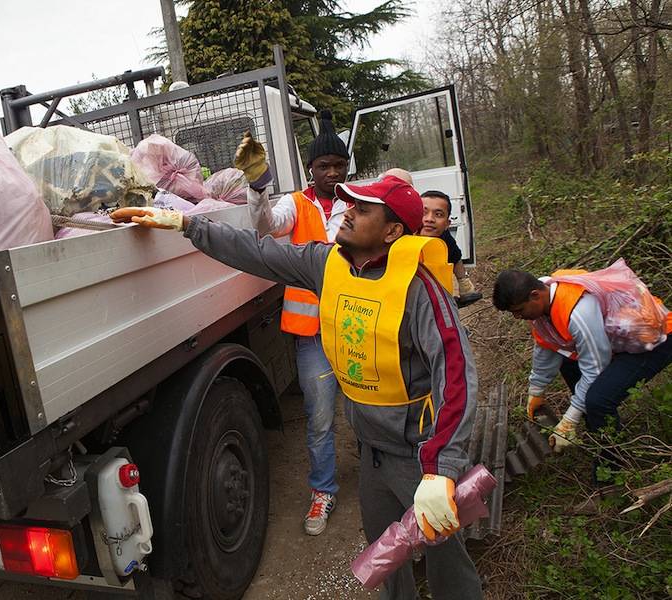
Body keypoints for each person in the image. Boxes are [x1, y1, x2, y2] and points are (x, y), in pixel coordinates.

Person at [111, 167, 483, 599]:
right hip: (373, 454)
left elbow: (456, 373)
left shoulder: (419, 289)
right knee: (386, 556)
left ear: (392, 231)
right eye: (350, 204)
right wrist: (188, 225)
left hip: (418, 455)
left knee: (446, 560)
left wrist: (442, 470)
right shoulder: (329, 264)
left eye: (363, 209)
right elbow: (259, 252)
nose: (347, 212)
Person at [237, 109, 349, 536]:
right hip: (313, 336)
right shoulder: (295, 204)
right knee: (319, 417)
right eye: (324, 166)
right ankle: (323, 490)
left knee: (367, 410)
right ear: (310, 170)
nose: (332, 173)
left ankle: (384, 480)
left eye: (339, 165)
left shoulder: (358, 203)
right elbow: (266, 228)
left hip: (356, 325)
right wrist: (257, 185)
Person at [492, 269, 672, 465]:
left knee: (598, 400)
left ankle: (611, 467)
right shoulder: (544, 298)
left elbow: (595, 369)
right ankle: (597, 430)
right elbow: (546, 345)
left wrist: (570, 418)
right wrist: (536, 390)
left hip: (654, 340)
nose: (517, 317)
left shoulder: (579, 312)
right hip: (620, 339)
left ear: (535, 295)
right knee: (569, 363)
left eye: (519, 311)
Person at [420, 190, 481, 308]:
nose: (429, 219)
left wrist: (462, 281)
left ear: (447, 224)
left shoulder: (444, 237)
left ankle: (465, 285)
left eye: (438, 214)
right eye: (423, 213)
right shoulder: (401, 237)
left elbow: (456, 257)